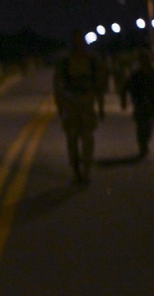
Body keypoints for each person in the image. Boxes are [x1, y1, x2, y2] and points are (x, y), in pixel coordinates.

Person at [54, 30, 105, 185]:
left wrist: (101, 106)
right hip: (71, 106)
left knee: (87, 140)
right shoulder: (65, 62)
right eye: (76, 42)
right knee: (72, 140)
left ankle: (86, 171)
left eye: (80, 41)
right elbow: (58, 86)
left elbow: (98, 86)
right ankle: (76, 171)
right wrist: (61, 107)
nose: (79, 45)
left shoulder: (92, 61)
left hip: (87, 105)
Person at [120, 49, 154, 158]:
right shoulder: (136, 75)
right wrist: (124, 101)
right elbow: (125, 87)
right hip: (139, 103)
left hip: (151, 102)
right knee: (140, 125)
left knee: (150, 124)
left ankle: (145, 141)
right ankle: (142, 146)